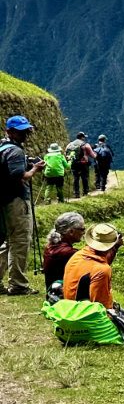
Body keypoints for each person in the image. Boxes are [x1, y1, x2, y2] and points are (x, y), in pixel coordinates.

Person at [0, 116, 45, 295]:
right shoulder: (16, 152)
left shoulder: (2, 148)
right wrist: (35, 169)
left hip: (4, 201)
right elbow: (21, 177)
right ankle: (18, 284)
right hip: (17, 201)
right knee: (20, 241)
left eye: (26, 130)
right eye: (21, 131)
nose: (25, 134)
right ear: (10, 131)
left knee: (6, 242)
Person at [63, 222, 123, 309]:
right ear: (112, 245)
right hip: (86, 317)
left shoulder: (77, 255)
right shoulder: (103, 270)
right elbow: (101, 306)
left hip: (69, 309)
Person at [43, 211, 86, 292]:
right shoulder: (69, 253)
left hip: (53, 294)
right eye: (82, 229)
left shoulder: (50, 247)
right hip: (65, 296)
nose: (84, 232)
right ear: (71, 232)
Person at [65, 132, 93, 198]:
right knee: (84, 177)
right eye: (84, 137)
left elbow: (66, 152)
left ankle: (76, 193)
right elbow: (92, 154)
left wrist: (69, 161)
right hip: (83, 163)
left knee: (75, 178)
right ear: (82, 137)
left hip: (74, 163)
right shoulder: (85, 145)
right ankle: (85, 192)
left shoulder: (70, 144)